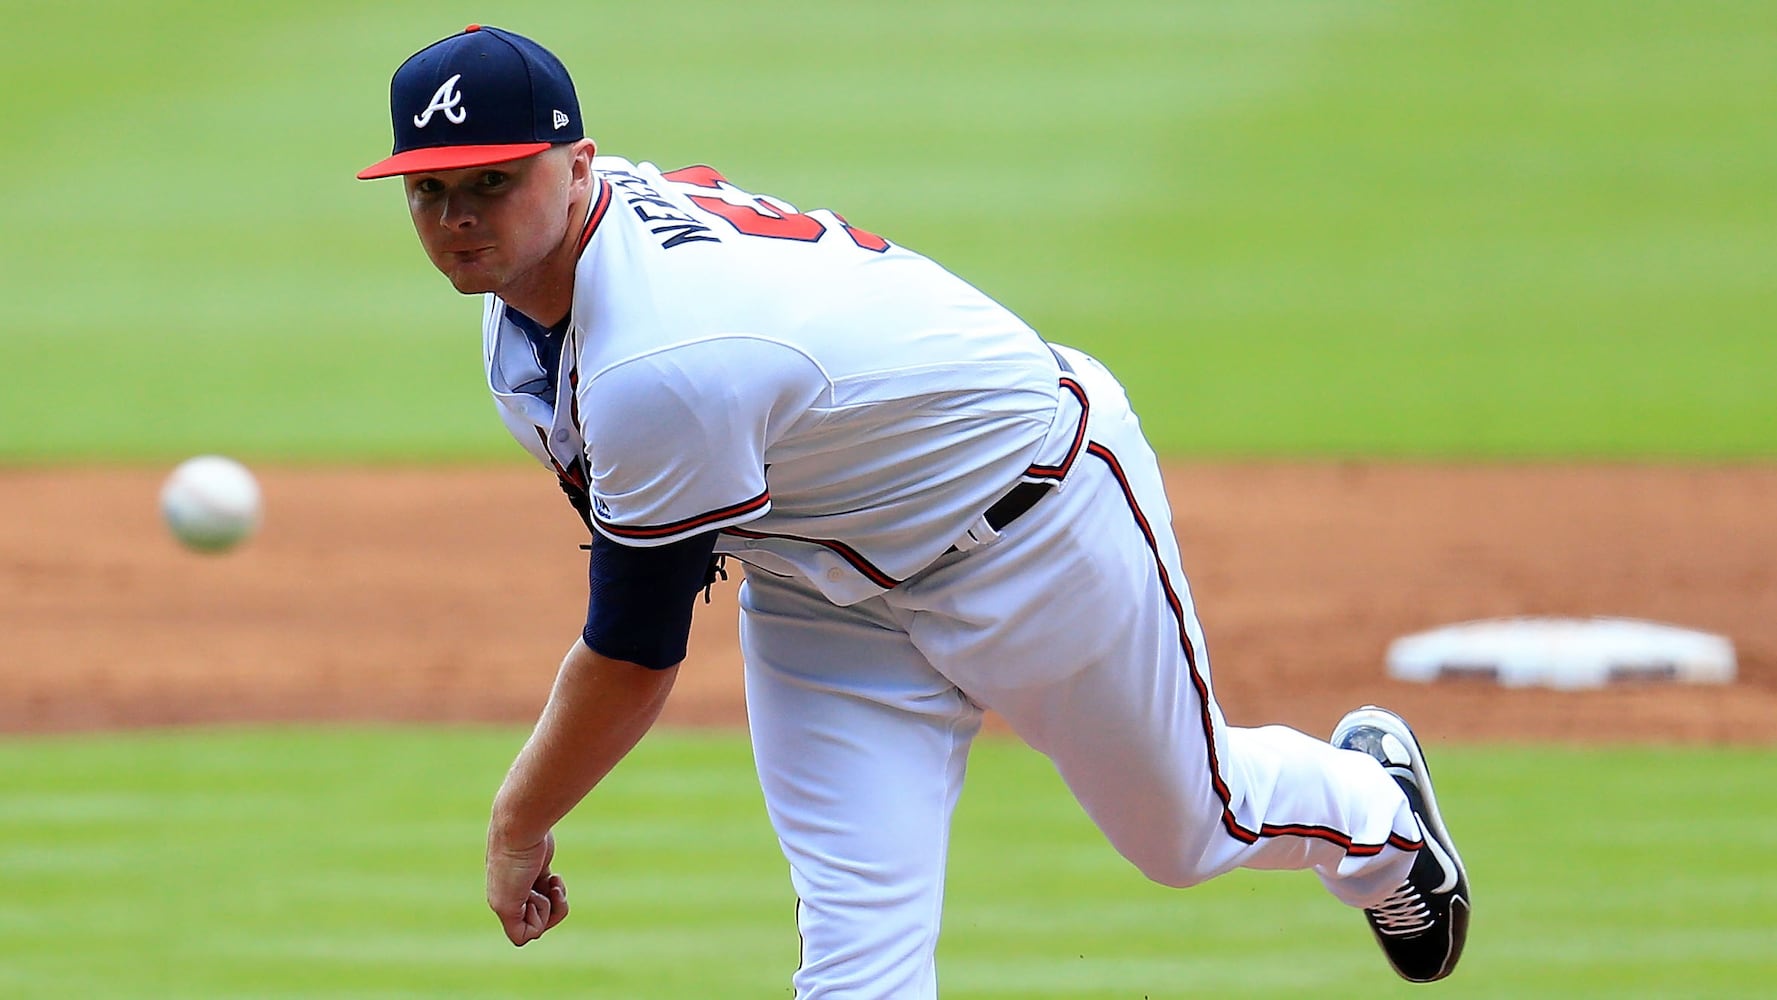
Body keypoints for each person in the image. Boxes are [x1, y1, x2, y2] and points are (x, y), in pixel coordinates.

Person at [358, 24, 1471, 996]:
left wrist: (517, 822)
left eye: (493, 180)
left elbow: (636, 649)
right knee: (857, 960)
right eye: (431, 190)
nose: (459, 217)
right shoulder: (533, 306)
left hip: (1032, 522)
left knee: (1191, 828)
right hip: (821, 585)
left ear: (578, 164)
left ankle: (1378, 814)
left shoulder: (661, 357)